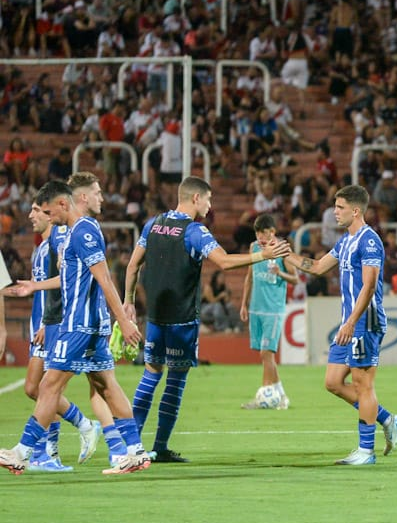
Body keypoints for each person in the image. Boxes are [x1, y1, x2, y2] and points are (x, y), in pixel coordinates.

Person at [123, 176, 290, 463]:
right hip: (182, 319)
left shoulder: (153, 224)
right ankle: (160, 447)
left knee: (150, 375)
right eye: (209, 199)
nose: (210, 206)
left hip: (156, 317)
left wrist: (128, 301)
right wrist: (263, 255)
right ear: (196, 198)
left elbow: (132, 265)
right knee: (175, 382)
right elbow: (224, 262)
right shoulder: (195, 231)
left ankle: (131, 447)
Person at [0, 177, 148, 476]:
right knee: (107, 386)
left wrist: (123, 320)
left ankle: (22, 453)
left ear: (62, 204)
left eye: (48, 211)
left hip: (80, 325)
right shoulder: (73, 233)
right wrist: (36, 286)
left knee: (48, 386)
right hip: (88, 325)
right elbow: (73, 277)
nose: (47, 217)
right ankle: (135, 452)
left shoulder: (83, 232)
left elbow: (104, 278)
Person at [283, 185, 397, 465]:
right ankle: (387, 419)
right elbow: (317, 267)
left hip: (364, 322)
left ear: (356, 210)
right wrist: (283, 254)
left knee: (364, 385)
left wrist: (351, 322)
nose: (334, 212)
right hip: (350, 322)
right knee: (333, 382)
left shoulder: (369, 241)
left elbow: (369, 285)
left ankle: (366, 451)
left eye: (340, 207)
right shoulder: (346, 241)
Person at [1, 203, 101, 472]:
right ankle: (83, 426)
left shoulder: (60, 241)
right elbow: (39, 287)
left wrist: (49, 322)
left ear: (49, 213)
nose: (31, 215)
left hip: (55, 323)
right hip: (42, 321)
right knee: (35, 388)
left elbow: (65, 285)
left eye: (37, 210)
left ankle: (48, 453)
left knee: (47, 388)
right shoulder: (42, 248)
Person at [240, 214, 300, 410]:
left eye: (263, 233)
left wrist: (279, 273)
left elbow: (295, 279)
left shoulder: (283, 250)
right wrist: (244, 304)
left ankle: (267, 397)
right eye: (257, 233)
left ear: (272, 232)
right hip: (256, 308)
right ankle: (278, 396)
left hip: (273, 309)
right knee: (264, 355)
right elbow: (249, 277)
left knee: (266, 353)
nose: (260, 237)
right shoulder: (254, 248)